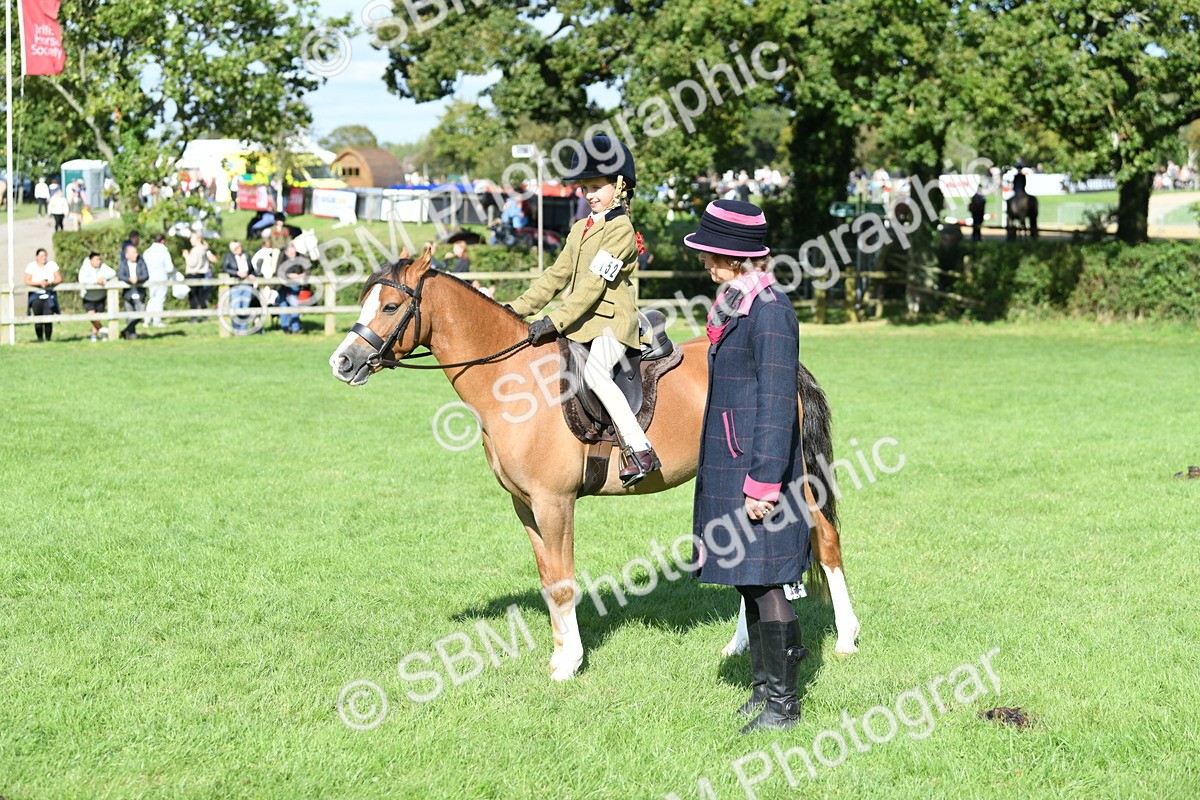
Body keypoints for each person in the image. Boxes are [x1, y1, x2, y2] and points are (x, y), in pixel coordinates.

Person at [685, 200, 810, 733]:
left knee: (766, 584)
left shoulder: (771, 310)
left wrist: (763, 484)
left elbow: (779, 401)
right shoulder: (735, 302)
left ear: (735, 257)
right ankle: (763, 691)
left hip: (757, 472)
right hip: (730, 465)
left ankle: (783, 707)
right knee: (746, 580)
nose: (707, 264)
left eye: (713, 255)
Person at [508, 135, 660, 487]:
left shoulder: (621, 230)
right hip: (580, 324)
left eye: (596, 187)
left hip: (611, 324)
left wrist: (554, 320)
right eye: (585, 188)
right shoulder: (580, 228)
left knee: (595, 374)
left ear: (619, 186)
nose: (589, 194)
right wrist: (514, 309)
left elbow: (593, 286)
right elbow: (555, 277)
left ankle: (640, 449)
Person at [24, 248, 62, 342]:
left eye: (45, 255)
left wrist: (50, 283)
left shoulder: (52, 265)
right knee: (38, 318)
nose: (44, 258)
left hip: (48, 295)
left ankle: (48, 338)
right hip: (36, 296)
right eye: (41, 256)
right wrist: (39, 284)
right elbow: (27, 281)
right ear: (37, 257)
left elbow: (59, 278)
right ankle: (40, 338)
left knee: (48, 318)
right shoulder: (31, 266)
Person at [222, 240, 259, 333]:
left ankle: (243, 329)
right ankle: (236, 329)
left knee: (245, 307)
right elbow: (225, 268)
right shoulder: (229, 256)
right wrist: (236, 273)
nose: (239, 249)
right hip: (236, 285)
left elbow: (252, 269)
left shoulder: (246, 255)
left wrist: (252, 274)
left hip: (247, 285)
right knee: (236, 307)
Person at [78, 252, 116, 341]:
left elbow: (112, 273)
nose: (98, 262)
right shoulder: (85, 268)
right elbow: (82, 280)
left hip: (100, 296)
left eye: (99, 259)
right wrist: (96, 280)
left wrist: (103, 278)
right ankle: (103, 330)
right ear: (91, 260)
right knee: (92, 316)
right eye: (96, 260)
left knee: (97, 317)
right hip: (88, 296)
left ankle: (94, 335)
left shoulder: (103, 266)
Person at [117, 243, 150, 340]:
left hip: (139, 293)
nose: (136, 254)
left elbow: (146, 275)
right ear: (127, 255)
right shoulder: (123, 263)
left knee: (141, 313)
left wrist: (138, 279)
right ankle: (130, 335)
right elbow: (120, 275)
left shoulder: (141, 262)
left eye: (136, 252)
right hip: (128, 293)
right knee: (129, 315)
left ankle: (125, 331)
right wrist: (129, 279)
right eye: (133, 253)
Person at [276, 243, 311, 334]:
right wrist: (288, 275)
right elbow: (278, 271)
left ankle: (295, 328)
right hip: (282, 286)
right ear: (286, 252)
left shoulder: (300, 257)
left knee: (294, 305)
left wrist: (302, 275)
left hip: (295, 285)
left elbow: (308, 269)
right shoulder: (282, 257)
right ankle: (285, 328)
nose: (293, 254)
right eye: (291, 253)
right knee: (283, 305)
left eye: (294, 252)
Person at [142, 233, 175, 328]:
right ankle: (157, 321)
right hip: (161, 278)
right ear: (163, 241)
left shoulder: (147, 251)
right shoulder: (164, 251)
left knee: (152, 298)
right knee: (159, 299)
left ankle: (147, 320)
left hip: (149, 278)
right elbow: (169, 268)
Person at [183, 232, 217, 322]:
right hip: (201, 275)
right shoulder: (204, 249)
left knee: (193, 297)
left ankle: (194, 318)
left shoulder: (197, 250)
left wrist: (186, 256)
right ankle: (204, 317)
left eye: (192, 238)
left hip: (193, 275)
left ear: (198, 239)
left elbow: (192, 263)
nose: (190, 240)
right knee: (201, 297)